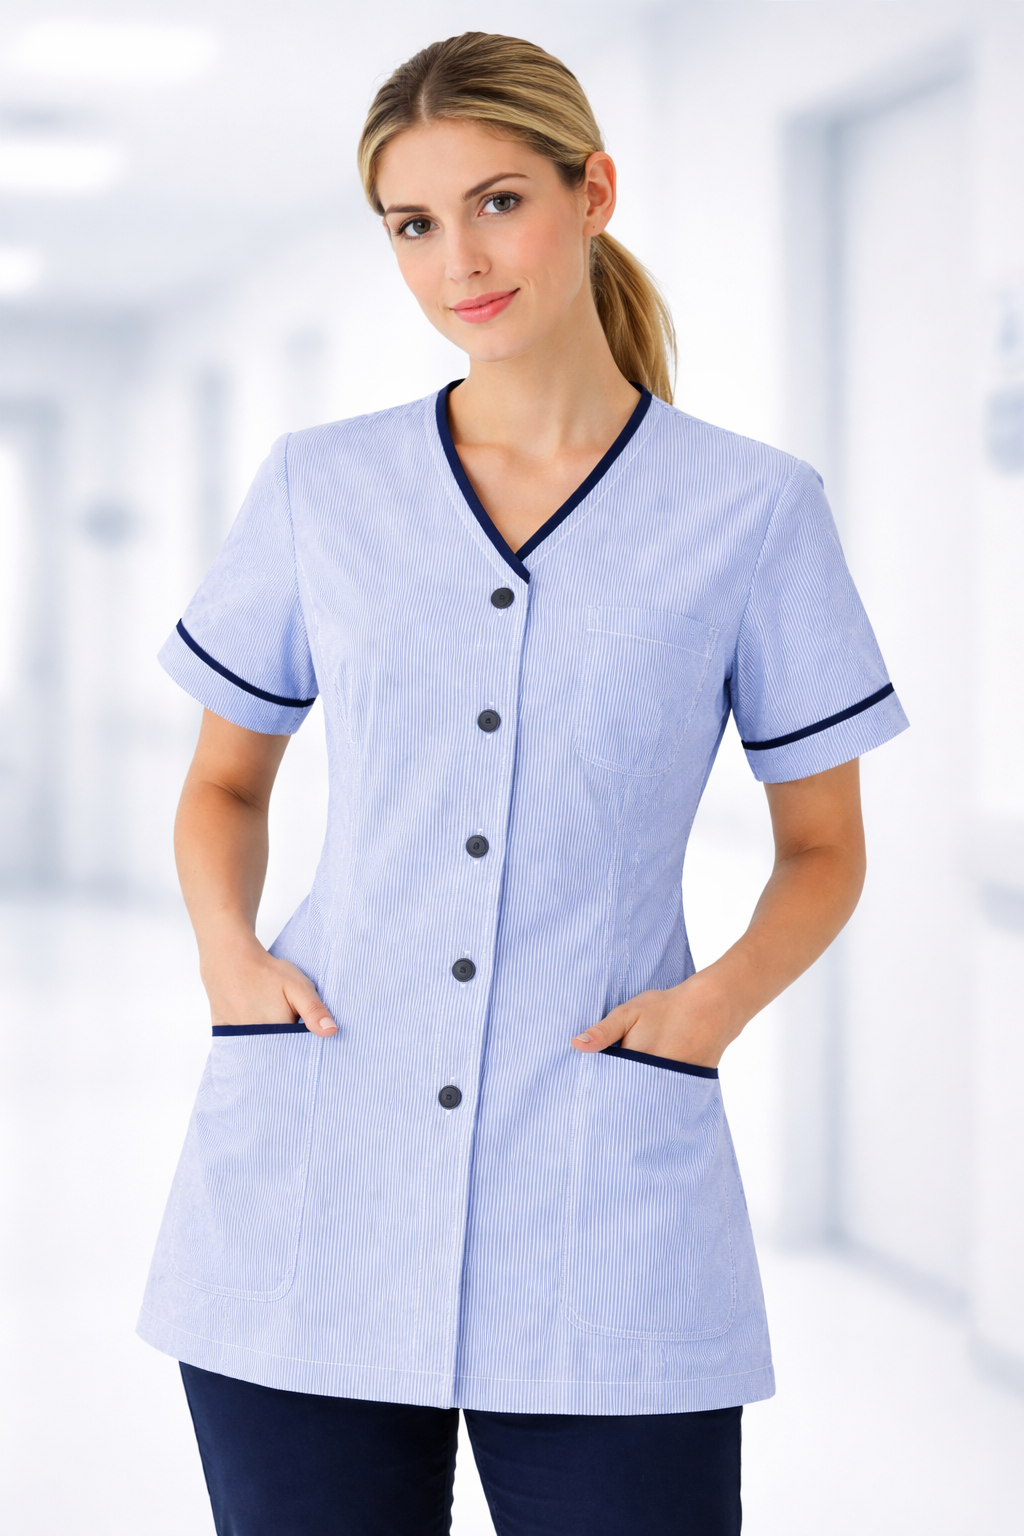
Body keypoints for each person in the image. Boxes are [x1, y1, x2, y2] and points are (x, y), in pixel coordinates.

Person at [137, 31, 908, 1536]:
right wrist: (230, 961)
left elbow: (824, 845)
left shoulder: (750, 513)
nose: (456, 261)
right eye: (413, 225)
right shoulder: (321, 487)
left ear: (593, 190)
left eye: (497, 202)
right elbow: (226, 783)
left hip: (602, 1189)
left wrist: (705, 1015)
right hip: (312, 1185)